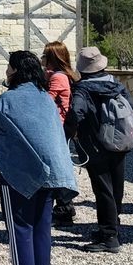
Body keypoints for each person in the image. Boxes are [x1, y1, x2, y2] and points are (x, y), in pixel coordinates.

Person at [0, 50, 78, 265]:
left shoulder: (7, 100)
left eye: (8, 67)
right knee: (42, 230)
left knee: (20, 230)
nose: (5, 72)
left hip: (18, 176)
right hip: (50, 174)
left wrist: (3, 149)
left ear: (15, 71)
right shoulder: (45, 97)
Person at [64, 47, 133, 253]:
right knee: (116, 188)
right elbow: (131, 105)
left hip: (95, 145)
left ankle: (109, 237)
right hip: (119, 142)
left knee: (103, 189)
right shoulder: (115, 84)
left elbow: (76, 114)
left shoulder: (83, 89)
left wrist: (69, 134)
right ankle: (114, 227)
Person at [42, 42, 79, 226]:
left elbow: (46, 101)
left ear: (52, 58)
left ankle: (64, 208)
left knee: (58, 168)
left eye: (45, 56)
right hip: (62, 127)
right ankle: (64, 206)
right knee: (60, 165)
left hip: (58, 128)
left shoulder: (57, 77)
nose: (42, 59)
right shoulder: (66, 75)